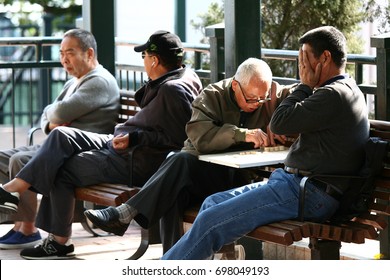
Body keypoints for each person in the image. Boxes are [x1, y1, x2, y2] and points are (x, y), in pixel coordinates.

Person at [160, 26, 370, 260]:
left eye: (304, 57)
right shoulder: (345, 89)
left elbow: (279, 122)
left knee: (212, 221)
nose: (301, 66)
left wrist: (305, 85)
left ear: (325, 57)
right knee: (212, 203)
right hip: (296, 185)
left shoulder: (333, 94)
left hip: (309, 193)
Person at [0, 30, 202, 259]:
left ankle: (58, 242)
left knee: (60, 166)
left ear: (155, 60)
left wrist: (135, 139)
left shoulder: (172, 90)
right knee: (61, 135)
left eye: (144, 56)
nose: (143, 60)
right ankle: (11, 190)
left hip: (135, 159)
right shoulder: (180, 76)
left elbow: (179, 141)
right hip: (121, 142)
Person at [84, 57, 292, 253]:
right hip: (211, 175)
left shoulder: (271, 95)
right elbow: (199, 137)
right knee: (178, 172)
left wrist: (281, 121)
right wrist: (241, 134)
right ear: (235, 85)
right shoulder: (212, 96)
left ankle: (128, 215)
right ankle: (173, 262)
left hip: (244, 182)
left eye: (262, 99)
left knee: (173, 180)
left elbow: (304, 93)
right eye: (252, 98)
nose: (257, 103)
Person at [0, 28, 120, 250]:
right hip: (57, 144)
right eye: (62, 53)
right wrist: (51, 121)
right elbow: (49, 114)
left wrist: (53, 118)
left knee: (20, 160)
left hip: (77, 152)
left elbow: (57, 113)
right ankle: (17, 221)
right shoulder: (73, 82)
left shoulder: (99, 81)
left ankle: (27, 229)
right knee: (3, 158)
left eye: (70, 53)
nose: (64, 59)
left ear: (89, 53)